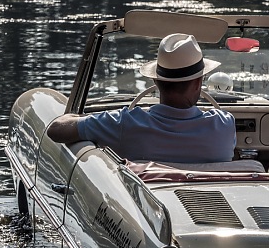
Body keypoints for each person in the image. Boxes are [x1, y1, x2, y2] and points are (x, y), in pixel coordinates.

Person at [47, 33, 236, 163]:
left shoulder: (125, 124)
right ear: (197, 83)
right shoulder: (224, 126)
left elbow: (55, 130)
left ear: (156, 80)